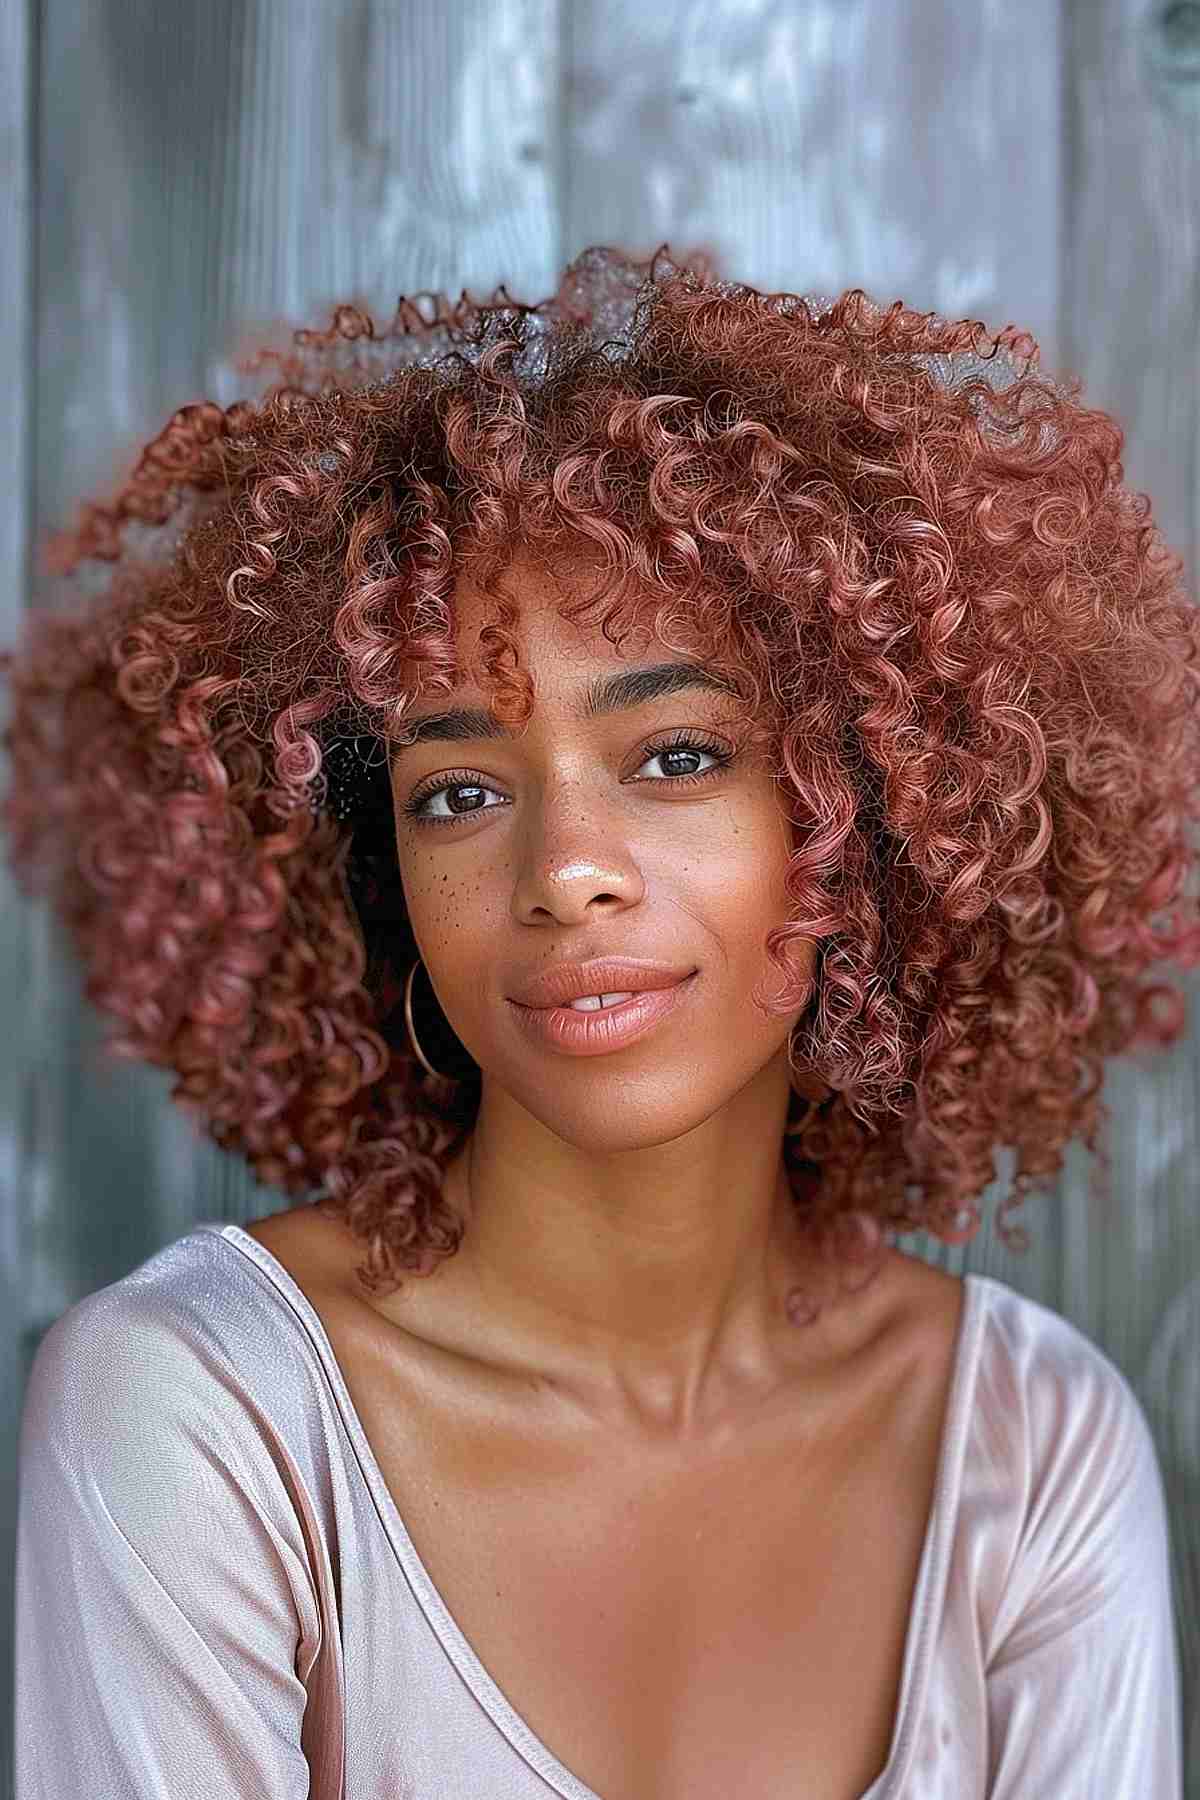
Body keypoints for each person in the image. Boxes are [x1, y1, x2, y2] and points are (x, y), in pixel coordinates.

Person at [6, 244, 1189, 1796]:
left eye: (679, 756)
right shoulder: (201, 1415)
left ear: (872, 818)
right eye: (463, 790)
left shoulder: (1031, 1451)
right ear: (386, 877)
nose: (562, 871)